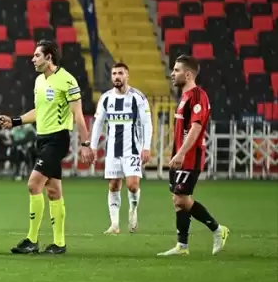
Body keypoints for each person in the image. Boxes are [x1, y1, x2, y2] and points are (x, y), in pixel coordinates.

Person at [0, 40, 94, 255]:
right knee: (53, 190)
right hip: (42, 139)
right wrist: (15, 121)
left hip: (57, 139)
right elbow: (38, 111)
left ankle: (32, 240)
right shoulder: (39, 81)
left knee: (33, 185)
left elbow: (78, 115)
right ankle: (59, 243)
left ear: (48, 57)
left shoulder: (67, 80)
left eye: (37, 55)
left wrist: (86, 144)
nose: (32, 59)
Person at [158, 56, 229, 256]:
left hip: (191, 157)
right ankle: (182, 246)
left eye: (177, 70)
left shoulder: (198, 96)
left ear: (188, 74)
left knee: (181, 199)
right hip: (180, 155)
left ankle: (217, 229)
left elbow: (196, 128)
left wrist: (181, 153)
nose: (172, 74)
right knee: (178, 199)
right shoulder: (184, 97)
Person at [89, 62, 154, 234]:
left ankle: (133, 208)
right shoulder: (106, 98)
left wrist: (146, 147)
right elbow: (98, 123)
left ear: (127, 76)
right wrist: (93, 146)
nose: (117, 77)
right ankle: (115, 224)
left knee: (132, 185)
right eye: (114, 74)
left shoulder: (138, 98)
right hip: (112, 150)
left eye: (120, 73)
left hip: (132, 149)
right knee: (113, 185)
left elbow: (147, 123)